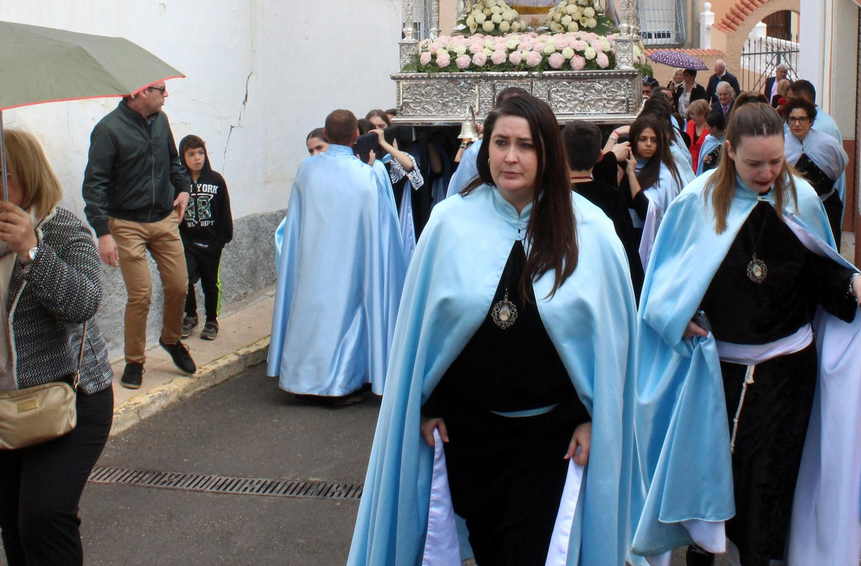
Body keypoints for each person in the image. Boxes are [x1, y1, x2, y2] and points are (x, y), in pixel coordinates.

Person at [347, 93, 637, 566]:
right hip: (470, 435)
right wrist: (428, 404)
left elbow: (607, 345)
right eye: (500, 142)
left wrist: (589, 414)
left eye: (524, 145)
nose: (510, 157)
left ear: (546, 152)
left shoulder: (591, 230)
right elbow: (426, 334)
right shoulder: (449, 223)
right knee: (488, 550)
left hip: (551, 442)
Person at [631, 102, 861, 566]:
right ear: (728, 152)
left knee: (770, 485)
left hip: (787, 377)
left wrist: (854, 283)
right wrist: (678, 315)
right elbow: (664, 283)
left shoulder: (802, 200)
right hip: (715, 378)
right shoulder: (698, 201)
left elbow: (824, 273)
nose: (768, 173)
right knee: (712, 481)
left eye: (775, 161)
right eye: (754, 164)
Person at [0, 128, 113, 566]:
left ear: (30, 177)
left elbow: (83, 303)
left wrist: (32, 249)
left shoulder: (62, 229)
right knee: (11, 519)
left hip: (67, 398)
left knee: (44, 517)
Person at [268, 109, 408, 399]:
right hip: (351, 260)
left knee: (310, 313)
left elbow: (295, 221)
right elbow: (382, 230)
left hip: (313, 259)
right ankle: (341, 382)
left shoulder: (307, 170)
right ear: (356, 135)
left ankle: (303, 379)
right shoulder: (368, 175)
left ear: (327, 136)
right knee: (347, 315)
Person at [82, 82, 195, 390]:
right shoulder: (108, 129)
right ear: (143, 92)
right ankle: (135, 361)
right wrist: (103, 233)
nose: (166, 94)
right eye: (161, 89)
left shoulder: (161, 121)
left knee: (178, 285)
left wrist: (183, 189)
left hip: (164, 219)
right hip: (126, 224)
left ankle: (171, 340)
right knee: (141, 294)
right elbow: (94, 185)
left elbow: (174, 161)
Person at [563, 120, 643, 296]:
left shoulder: (551, 197)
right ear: (600, 156)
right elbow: (627, 251)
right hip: (603, 289)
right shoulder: (611, 199)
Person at [177, 135, 233, 342]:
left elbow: (224, 211)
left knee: (210, 283)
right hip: (188, 243)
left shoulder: (216, 180)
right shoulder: (178, 182)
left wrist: (221, 240)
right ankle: (191, 315)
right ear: (183, 157)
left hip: (211, 244)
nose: (197, 158)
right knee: (183, 279)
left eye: (200, 153)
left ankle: (211, 320)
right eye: (191, 154)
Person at [625, 116, 686, 269]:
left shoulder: (664, 173)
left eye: (654, 140)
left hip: (648, 240)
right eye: (643, 139)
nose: (648, 145)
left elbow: (646, 212)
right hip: (625, 237)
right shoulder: (621, 166)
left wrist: (632, 175)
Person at [783, 98, 849, 239]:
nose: (797, 124)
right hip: (794, 211)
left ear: (811, 121)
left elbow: (841, 163)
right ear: (787, 121)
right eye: (792, 119)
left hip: (826, 207)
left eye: (802, 119)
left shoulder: (828, 144)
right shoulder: (779, 146)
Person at [684, 97, 712, 175]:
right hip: (690, 167)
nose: (691, 116)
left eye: (693, 114)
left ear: (702, 114)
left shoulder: (710, 127)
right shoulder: (689, 124)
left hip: (704, 168)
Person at [699, 106, 726, 173]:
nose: (706, 129)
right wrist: (707, 160)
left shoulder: (729, 138)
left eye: (707, 127)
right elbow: (702, 161)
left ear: (714, 128)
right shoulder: (708, 140)